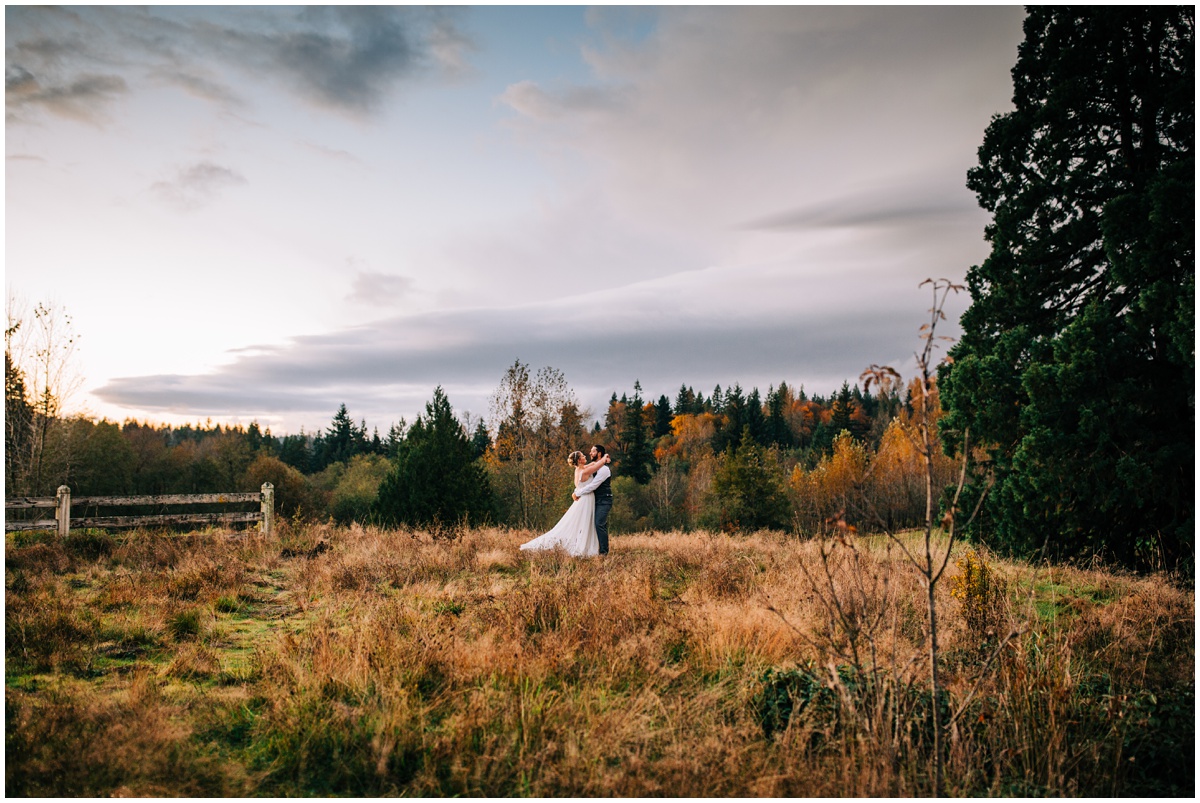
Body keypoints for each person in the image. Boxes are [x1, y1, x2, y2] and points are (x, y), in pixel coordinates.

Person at [519, 449, 611, 556]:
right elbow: (596, 466)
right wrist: (605, 458)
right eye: (583, 456)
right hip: (586, 499)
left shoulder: (579, 469)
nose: (585, 456)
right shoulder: (585, 472)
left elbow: (592, 464)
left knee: (585, 523)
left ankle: (586, 545)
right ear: (579, 460)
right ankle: (584, 547)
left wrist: (597, 461)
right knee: (585, 523)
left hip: (584, 498)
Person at [572, 444, 613, 555]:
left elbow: (593, 485)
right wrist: (605, 458)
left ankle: (604, 552)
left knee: (599, 524)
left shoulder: (604, 469)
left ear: (599, 453)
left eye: (593, 451)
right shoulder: (592, 467)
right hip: (593, 500)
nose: (590, 453)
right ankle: (590, 548)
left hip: (604, 500)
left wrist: (577, 493)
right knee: (589, 524)